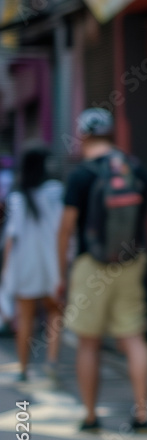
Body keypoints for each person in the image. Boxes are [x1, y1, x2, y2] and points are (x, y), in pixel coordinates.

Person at [59, 108, 147, 433]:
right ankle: (141, 413)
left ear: (84, 136)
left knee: (88, 342)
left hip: (91, 265)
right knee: (133, 337)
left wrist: (62, 272)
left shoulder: (81, 174)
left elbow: (67, 227)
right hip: (131, 260)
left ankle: (90, 415)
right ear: (112, 134)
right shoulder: (136, 168)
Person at [2, 148, 64, 381]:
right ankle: (52, 362)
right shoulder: (55, 192)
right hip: (50, 263)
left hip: (25, 264)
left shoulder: (18, 198)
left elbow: (11, 239)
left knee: (25, 316)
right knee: (55, 312)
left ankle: (23, 368)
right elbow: (63, 229)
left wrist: (7, 272)